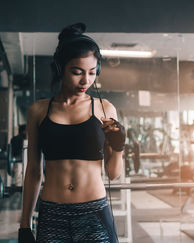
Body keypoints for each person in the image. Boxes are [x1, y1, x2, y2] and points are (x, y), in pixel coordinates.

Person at [19, 23, 126, 243]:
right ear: (60, 68)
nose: (85, 80)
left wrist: (119, 147)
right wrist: (24, 224)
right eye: (77, 72)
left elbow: (113, 173)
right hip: (52, 215)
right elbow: (33, 171)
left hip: (93, 212)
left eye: (92, 72)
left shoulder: (104, 108)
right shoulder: (38, 110)